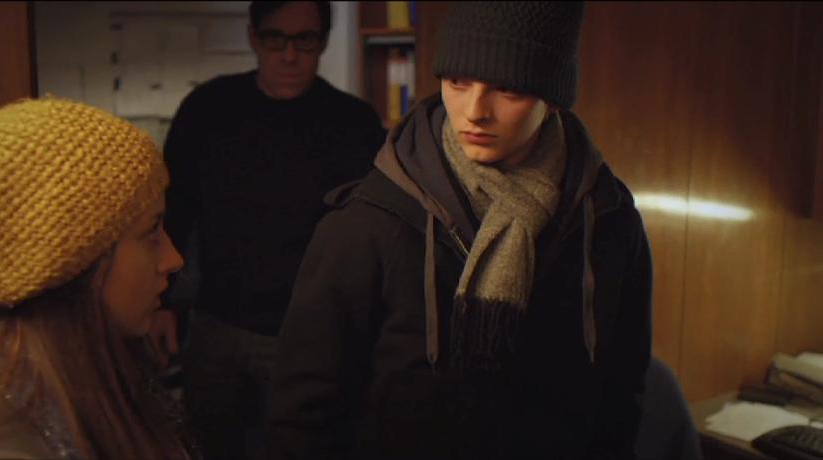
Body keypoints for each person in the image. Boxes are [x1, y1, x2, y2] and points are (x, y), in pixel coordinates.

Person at [265, 2, 652, 459]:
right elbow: (302, 415)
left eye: (507, 88)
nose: (475, 111)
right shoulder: (369, 221)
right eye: (457, 81)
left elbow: (620, 397)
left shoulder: (608, 219)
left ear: (551, 94)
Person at [149, 1, 386, 458]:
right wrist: (161, 305)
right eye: (276, 38)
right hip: (217, 324)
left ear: (324, 41)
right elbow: (173, 211)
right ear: (253, 36)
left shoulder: (353, 123)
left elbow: (372, 237)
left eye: (305, 40)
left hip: (311, 333)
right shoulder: (208, 110)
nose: (289, 55)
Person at [0, 98, 192, 459]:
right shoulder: (2, 446)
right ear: (74, 262)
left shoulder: (89, 370)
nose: (172, 259)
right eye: (151, 232)